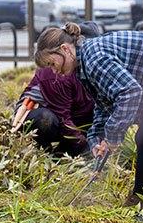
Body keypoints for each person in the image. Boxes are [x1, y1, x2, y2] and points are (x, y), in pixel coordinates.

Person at [34, 23, 143, 211]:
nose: (54, 71)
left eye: (52, 64)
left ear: (65, 49)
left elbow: (130, 92)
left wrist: (112, 136)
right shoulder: (83, 65)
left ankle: (137, 204)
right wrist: (96, 139)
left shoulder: (95, 59)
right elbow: (104, 103)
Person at [14, 22, 100, 156]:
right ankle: (45, 153)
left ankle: (67, 149)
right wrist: (85, 146)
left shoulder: (92, 59)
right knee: (45, 120)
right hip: (51, 115)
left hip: (80, 114)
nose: (54, 69)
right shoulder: (57, 74)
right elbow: (63, 118)